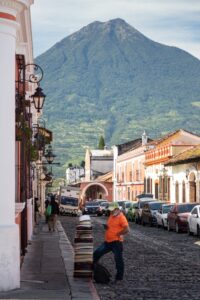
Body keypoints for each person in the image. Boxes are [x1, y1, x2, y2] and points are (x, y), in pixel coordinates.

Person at [93, 202, 129, 283]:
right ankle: (94, 271)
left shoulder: (121, 217)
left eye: (112, 210)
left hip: (116, 242)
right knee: (96, 253)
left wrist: (118, 233)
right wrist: (107, 227)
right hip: (108, 241)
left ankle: (119, 278)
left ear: (117, 209)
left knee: (118, 260)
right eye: (110, 210)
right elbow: (112, 226)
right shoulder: (111, 216)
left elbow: (127, 229)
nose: (111, 212)